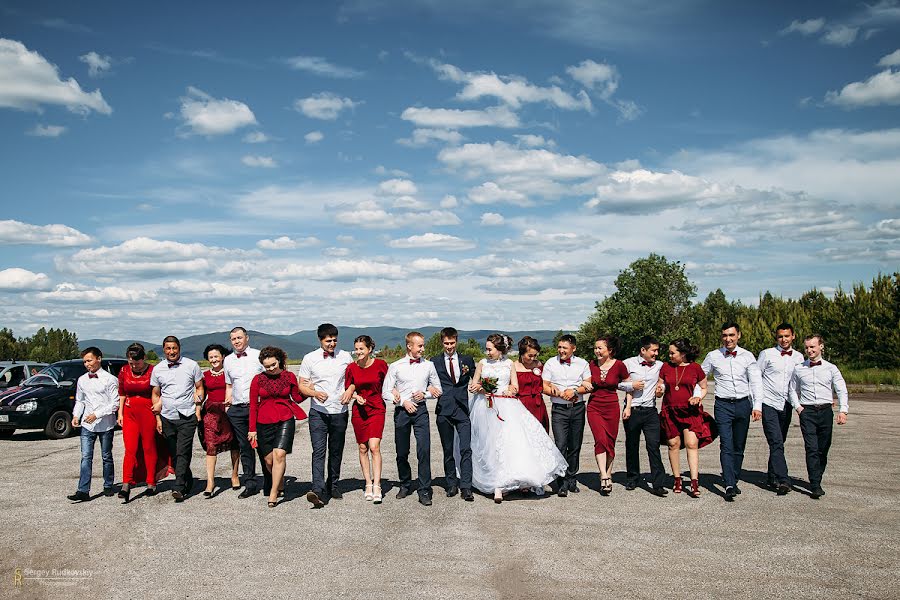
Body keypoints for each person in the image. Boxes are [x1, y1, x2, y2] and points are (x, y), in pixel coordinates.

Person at [468, 334, 568, 503]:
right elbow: (474, 385)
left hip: (507, 406)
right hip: (485, 406)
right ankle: (496, 485)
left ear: (500, 350)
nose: (487, 352)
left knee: (508, 444)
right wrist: (480, 387)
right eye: (486, 349)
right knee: (489, 445)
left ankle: (510, 481)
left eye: (490, 349)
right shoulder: (482, 364)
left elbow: (515, 386)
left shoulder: (509, 364)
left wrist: (511, 390)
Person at [701, 322, 763, 501]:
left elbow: (756, 381)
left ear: (739, 335)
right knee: (726, 444)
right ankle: (728, 483)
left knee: (739, 445)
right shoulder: (713, 356)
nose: (728, 339)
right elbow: (699, 377)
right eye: (725, 336)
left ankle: (734, 477)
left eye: (731, 335)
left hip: (744, 404)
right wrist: (697, 395)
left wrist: (757, 405)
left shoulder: (747, 356)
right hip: (723, 405)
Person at [382, 331, 442, 506]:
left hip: (421, 411)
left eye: (423, 345)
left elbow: (438, 389)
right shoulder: (396, 366)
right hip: (402, 412)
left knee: (424, 450)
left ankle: (424, 490)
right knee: (402, 452)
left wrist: (424, 394)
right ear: (409, 346)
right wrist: (402, 401)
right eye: (420, 345)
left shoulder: (429, 366)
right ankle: (405, 484)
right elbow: (386, 391)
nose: (423, 348)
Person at [298, 323, 354, 507]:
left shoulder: (345, 357)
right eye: (328, 340)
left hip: (340, 411)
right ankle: (317, 489)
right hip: (318, 412)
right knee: (319, 451)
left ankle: (334, 484)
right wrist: (314, 393)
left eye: (334, 340)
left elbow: (354, 380)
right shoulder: (309, 358)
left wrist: (350, 391)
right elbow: (302, 385)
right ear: (320, 340)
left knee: (336, 451)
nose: (332, 344)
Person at [788, 334, 849, 499]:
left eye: (812, 347)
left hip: (825, 412)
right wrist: (798, 407)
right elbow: (792, 389)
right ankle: (815, 484)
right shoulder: (799, 368)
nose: (809, 350)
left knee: (823, 448)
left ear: (821, 346)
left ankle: (817, 475)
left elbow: (841, 389)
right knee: (812, 448)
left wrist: (843, 410)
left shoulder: (831, 368)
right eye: (807, 347)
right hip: (807, 412)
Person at [249, 346, 307, 508]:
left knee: (280, 455)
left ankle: (274, 493)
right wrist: (252, 429)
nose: (271, 369)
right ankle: (279, 481)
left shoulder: (289, 376)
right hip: (263, 421)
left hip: (285, 418)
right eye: (267, 367)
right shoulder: (257, 379)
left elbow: (297, 397)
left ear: (279, 361)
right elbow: (253, 406)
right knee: (268, 460)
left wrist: (309, 390)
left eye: (273, 365)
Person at [659, 338, 716, 498]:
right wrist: (659, 390)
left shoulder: (695, 368)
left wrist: (699, 398)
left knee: (692, 443)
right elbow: (662, 385)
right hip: (670, 410)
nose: (669, 355)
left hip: (690, 411)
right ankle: (677, 479)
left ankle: (694, 481)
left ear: (683, 354)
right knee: (673, 444)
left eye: (672, 353)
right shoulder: (665, 367)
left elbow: (704, 387)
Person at [151, 335, 203, 502]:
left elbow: (200, 387)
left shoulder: (191, 365)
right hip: (167, 416)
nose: (171, 351)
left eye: (174, 348)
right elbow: (155, 394)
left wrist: (198, 404)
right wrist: (158, 418)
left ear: (179, 348)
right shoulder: (158, 369)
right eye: (168, 348)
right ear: (164, 349)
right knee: (174, 454)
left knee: (183, 451)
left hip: (187, 415)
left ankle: (179, 486)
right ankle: (187, 478)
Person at [117, 342, 169, 502]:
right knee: (130, 449)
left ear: (144, 358)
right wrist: (120, 412)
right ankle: (126, 484)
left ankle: (151, 482)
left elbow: (161, 392)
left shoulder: (154, 370)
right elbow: (122, 393)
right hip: (129, 411)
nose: (134, 367)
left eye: (137, 363)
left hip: (148, 411)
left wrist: (158, 413)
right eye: (131, 363)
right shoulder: (124, 371)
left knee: (148, 446)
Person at [757, 323, 804, 495]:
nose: (783, 339)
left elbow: (801, 383)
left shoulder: (799, 357)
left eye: (787, 336)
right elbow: (755, 378)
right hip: (768, 403)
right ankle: (784, 480)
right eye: (780, 336)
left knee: (779, 441)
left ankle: (772, 475)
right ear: (776, 338)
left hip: (787, 404)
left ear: (793, 336)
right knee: (775, 441)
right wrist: (755, 404)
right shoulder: (767, 354)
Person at [541, 334, 592, 497]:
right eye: (559, 347)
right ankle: (561, 482)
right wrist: (558, 393)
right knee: (561, 444)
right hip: (559, 409)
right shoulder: (550, 363)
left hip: (577, 408)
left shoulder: (583, 363)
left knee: (575, 445)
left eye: (565, 348)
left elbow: (589, 385)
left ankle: (572, 479)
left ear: (573, 349)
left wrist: (575, 391)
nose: (561, 350)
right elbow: (544, 386)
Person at [430, 327, 476, 501]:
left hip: (463, 410)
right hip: (444, 410)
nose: (449, 346)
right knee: (448, 449)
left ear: (456, 342)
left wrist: (477, 386)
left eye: (452, 343)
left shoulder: (467, 360)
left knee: (466, 449)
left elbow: (476, 378)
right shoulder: (434, 361)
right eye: (446, 343)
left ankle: (466, 486)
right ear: (442, 343)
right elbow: (427, 381)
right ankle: (451, 484)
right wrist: (430, 388)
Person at [67, 347, 119, 502]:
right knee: (86, 457)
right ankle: (83, 490)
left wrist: (96, 414)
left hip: (105, 424)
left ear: (99, 359)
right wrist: (76, 415)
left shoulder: (110, 379)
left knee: (106, 456)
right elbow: (80, 400)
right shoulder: (82, 380)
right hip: (87, 425)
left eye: (89, 360)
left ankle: (108, 485)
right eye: (84, 362)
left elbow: (115, 404)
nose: (87, 364)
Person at [344, 335, 389, 504]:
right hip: (359, 411)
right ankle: (368, 483)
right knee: (362, 448)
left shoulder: (381, 365)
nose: (358, 352)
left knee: (374, 446)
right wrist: (356, 396)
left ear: (370, 349)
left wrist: (396, 392)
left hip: (377, 408)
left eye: (361, 349)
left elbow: (390, 383)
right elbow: (348, 389)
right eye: (356, 349)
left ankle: (377, 485)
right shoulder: (351, 368)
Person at [621, 336, 667, 496]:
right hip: (632, 410)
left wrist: (661, 389)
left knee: (653, 445)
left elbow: (663, 383)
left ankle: (658, 483)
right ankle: (633, 478)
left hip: (650, 411)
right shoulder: (627, 363)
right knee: (632, 445)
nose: (656, 353)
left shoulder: (660, 365)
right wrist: (630, 385)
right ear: (643, 350)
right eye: (653, 350)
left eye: (657, 350)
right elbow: (617, 383)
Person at [586, 335, 632, 496]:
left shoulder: (619, 365)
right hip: (594, 407)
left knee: (610, 441)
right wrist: (585, 384)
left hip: (612, 407)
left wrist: (628, 407)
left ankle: (608, 474)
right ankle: (603, 475)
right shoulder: (591, 365)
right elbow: (583, 381)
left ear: (610, 350)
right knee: (600, 440)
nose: (596, 351)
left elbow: (629, 386)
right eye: (595, 348)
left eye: (600, 348)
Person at [223, 326, 265, 499]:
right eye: (233, 339)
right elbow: (229, 385)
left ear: (247, 338)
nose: (237, 341)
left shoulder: (258, 355)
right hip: (237, 409)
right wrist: (228, 408)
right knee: (245, 447)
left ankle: (270, 482)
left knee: (263, 446)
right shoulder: (228, 360)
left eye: (240, 338)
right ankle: (250, 483)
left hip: (258, 407)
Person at [199, 344, 240, 497]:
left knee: (234, 444)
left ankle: (235, 475)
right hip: (211, 414)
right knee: (210, 446)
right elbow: (201, 393)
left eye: (217, 356)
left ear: (223, 357)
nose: (214, 359)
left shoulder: (230, 373)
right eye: (211, 357)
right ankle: (210, 481)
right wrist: (197, 401)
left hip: (228, 412)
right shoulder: (204, 376)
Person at [513, 336, 549, 432]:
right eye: (530, 356)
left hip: (538, 405)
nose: (533, 358)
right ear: (521, 353)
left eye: (535, 355)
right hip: (521, 404)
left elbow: (545, 382)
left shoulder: (538, 364)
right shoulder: (513, 366)